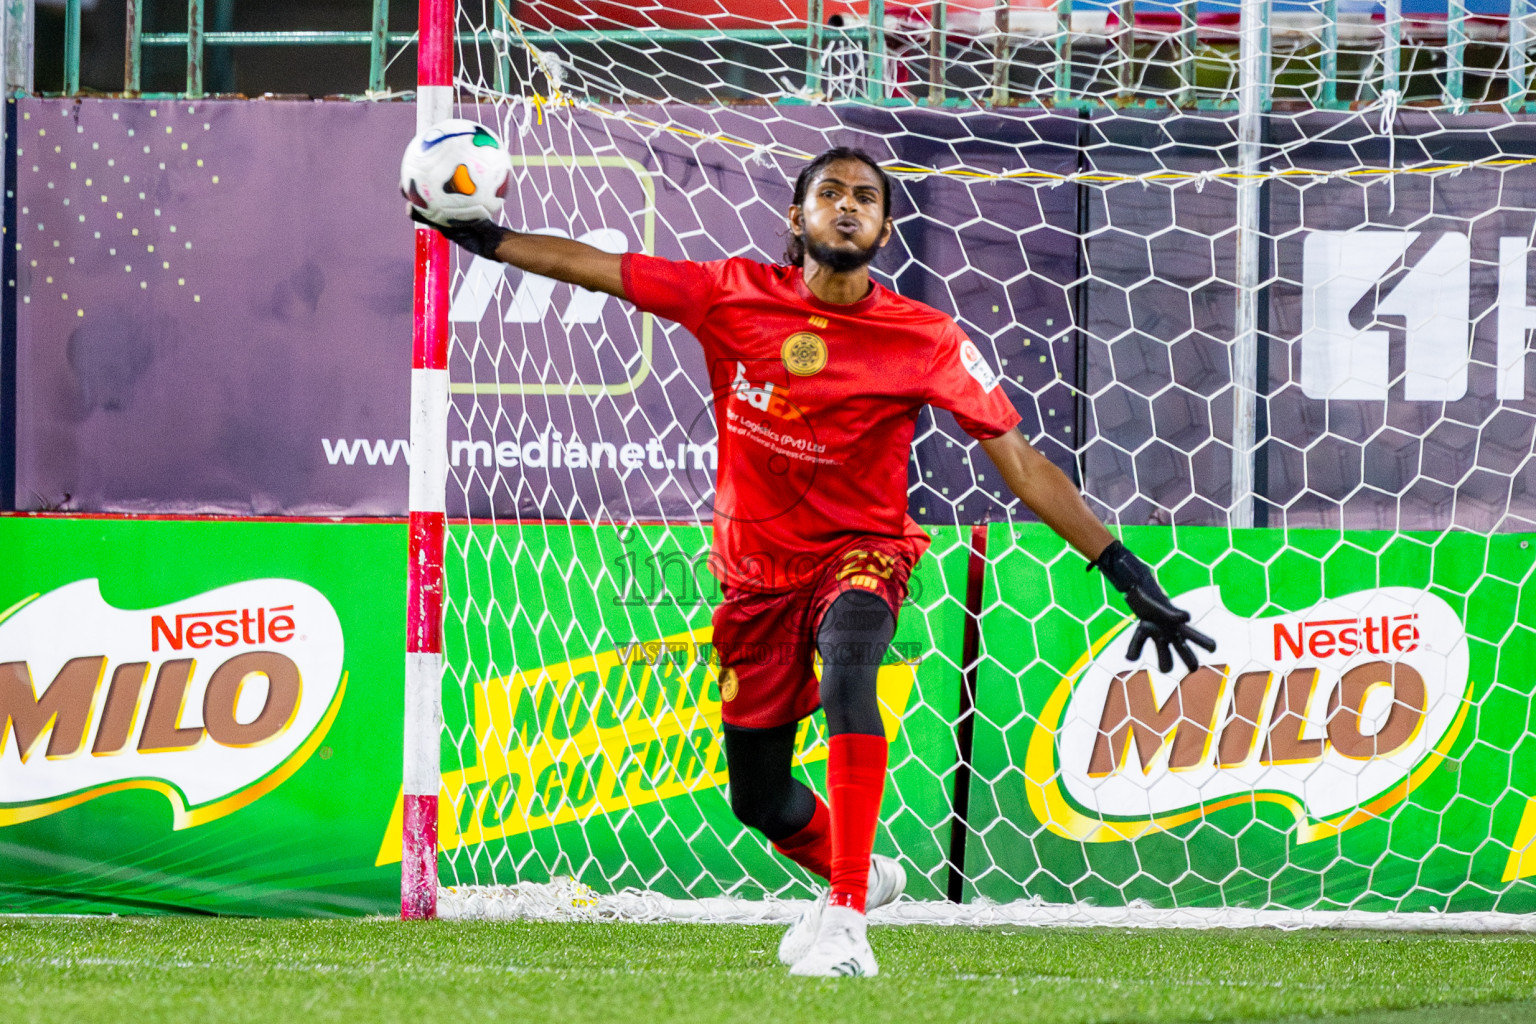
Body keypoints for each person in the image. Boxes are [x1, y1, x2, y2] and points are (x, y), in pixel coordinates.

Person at [411, 146, 1215, 977]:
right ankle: (862, 876)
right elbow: (600, 268)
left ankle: (844, 921)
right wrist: (488, 239)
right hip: (756, 579)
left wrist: (1119, 565)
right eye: (828, 193)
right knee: (758, 798)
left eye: (865, 197)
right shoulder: (729, 295)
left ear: (885, 227)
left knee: (850, 664)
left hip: (863, 555)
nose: (846, 205)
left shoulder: (926, 338)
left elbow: (1018, 461)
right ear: (796, 220)